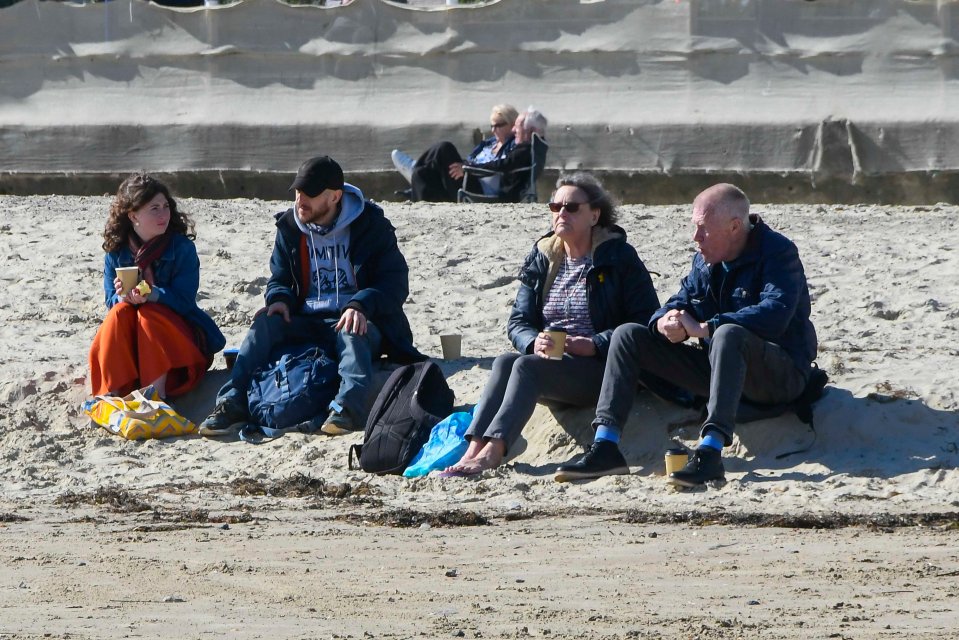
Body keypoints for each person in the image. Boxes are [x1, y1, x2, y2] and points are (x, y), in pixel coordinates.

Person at [554, 183, 818, 485]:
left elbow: (776, 313)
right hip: (720, 370)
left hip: (779, 375)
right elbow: (679, 301)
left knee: (728, 334)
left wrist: (707, 327)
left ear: (734, 227)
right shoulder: (705, 260)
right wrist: (665, 322)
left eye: (703, 229)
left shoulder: (777, 252)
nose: (696, 238)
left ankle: (710, 452)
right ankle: (605, 446)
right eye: (695, 227)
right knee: (628, 335)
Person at [440, 173, 660, 477]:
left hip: (604, 369)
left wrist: (594, 344)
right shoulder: (544, 255)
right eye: (555, 206)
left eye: (571, 207)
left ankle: (494, 452)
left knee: (526, 367)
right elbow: (518, 320)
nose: (561, 214)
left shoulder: (619, 257)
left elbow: (645, 320)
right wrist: (533, 342)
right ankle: (473, 450)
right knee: (506, 361)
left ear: (594, 215)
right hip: (556, 365)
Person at [199, 155, 425, 437]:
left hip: (360, 321)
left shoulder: (371, 225)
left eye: (310, 194)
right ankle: (230, 403)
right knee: (264, 324)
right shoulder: (290, 228)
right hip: (306, 319)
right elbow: (279, 278)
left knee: (351, 331)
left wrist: (360, 305)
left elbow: (394, 282)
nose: (300, 200)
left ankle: (346, 410)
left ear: (335, 196)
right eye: (297, 192)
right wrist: (279, 299)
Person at [89, 173, 225, 399]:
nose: (164, 214)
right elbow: (109, 300)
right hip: (133, 343)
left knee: (149, 313)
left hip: (178, 343)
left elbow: (184, 302)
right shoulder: (116, 252)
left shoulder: (181, 248)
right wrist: (123, 297)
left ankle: (155, 394)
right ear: (133, 216)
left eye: (165, 206)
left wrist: (152, 294)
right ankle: (112, 392)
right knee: (119, 313)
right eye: (154, 209)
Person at [391, 104, 519, 202]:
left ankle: (414, 167)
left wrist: (468, 168)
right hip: (468, 175)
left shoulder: (515, 147)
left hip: (479, 187)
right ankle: (416, 174)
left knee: (445, 148)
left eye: (498, 126)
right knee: (421, 174)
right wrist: (464, 165)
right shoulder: (489, 144)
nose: (493, 130)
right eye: (492, 126)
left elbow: (502, 166)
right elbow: (471, 159)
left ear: (512, 124)